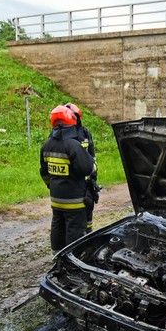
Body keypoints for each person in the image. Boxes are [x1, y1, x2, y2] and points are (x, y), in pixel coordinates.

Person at [40, 105, 97, 252]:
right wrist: (93, 168)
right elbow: (87, 168)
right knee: (75, 228)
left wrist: (53, 186)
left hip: (56, 198)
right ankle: (74, 257)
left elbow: (44, 172)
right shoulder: (73, 145)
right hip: (74, 199)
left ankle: (57, 255)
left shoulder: (47, 144)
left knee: (57, 225)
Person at [65, 102, 101, 233]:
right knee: (73, 217)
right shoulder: (62, 136)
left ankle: (88, 235)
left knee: (88, 209)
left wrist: (93, 181)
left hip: (86, 182)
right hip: (72, 184)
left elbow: (92, 157)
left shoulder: (85, 133)